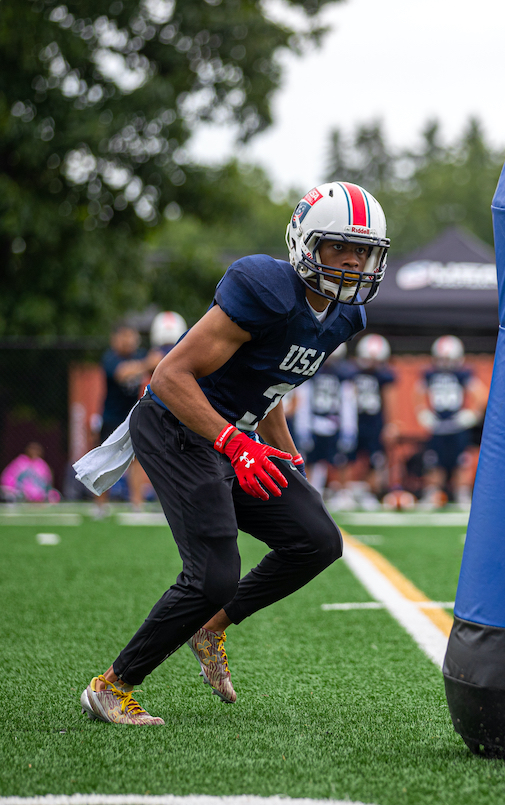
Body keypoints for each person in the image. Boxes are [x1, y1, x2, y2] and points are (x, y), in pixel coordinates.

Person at [79, 181, 390, 725]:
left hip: (238, 437)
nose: (352, 263)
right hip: (178, 426)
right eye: (339, 247)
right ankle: (112, 686)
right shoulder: (265, 287)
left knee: (316, 538)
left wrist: (285, 454)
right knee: (213, 574)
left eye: (363, 251)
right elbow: (169, 375)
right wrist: (231, 442)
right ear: (305, 244)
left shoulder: (345, 318)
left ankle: (211, 626)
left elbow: (270, 385)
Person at [414, 335, 487, 509]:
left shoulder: (463, 373)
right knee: (434, 462)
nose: (445, 362)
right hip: (438, 425)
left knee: (461, 461)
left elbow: (481, 395)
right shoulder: (430, 374)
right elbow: (416, 394)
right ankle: (433, 493)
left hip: (456, 426)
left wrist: (472, 414)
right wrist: (422, 412)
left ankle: (462, 493)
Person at [95, 323, 162, 514]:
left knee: (136, 459)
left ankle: (136, 503)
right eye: (124, 336)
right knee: (105, 460)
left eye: (131, 336)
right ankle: (100, 506)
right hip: (110, 417)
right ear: (115, 339)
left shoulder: (140, 355)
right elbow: (122, 373)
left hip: (133, 416)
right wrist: (147, 363)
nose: (128, 341)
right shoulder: (110, 358)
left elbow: (159, 366)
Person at [291, 343, 358, 507]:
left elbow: (348, 403)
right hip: (315, 421)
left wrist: (348, 428)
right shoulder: (311, 373)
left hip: (334, 422)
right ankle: (311, 489)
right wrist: (303, 427)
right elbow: (304, 401)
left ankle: (343, 492)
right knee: (312, 459)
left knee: (340, 460)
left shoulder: (343, 375)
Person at [344, 334, 397, 510]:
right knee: (350, 457)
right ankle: (347, 491)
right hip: (354, 421)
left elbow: (389, 400)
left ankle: (368, 492)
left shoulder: (383, 376)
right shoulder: (351, 372)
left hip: (375, 421)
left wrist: (389, 425)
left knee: (375, 458)